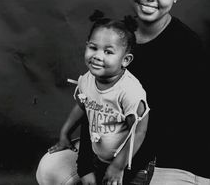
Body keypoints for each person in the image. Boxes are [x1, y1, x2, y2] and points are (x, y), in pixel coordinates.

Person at [36, 0, 210, 185]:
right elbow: (93, 104)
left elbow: (158, 127)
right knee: (50, 168)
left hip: (169, 157)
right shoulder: (115, 39)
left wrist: (120, 169)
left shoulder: (187, 46)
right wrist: (86, 167)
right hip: (115, 144)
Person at [38, 11, 151, 185]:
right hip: (101, 158)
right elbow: (81, 106)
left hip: (131, 164)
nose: (98, 56)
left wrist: (118, 166)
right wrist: (64, 133)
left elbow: (139, 131)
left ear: (125, 60)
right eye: (93, 47)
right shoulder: (87, 80)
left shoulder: (129, 91)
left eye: (108, 51)